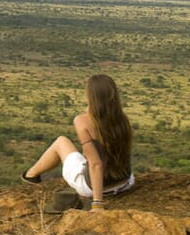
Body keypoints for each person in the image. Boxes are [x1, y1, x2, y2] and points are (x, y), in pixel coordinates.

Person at [21, 74, 134, 211]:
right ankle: (31, 175)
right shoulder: (123, 119)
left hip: (93, 188)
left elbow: (96, 164)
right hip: (125, 182)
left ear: (90, 96)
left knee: (61, 142)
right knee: (86, 156)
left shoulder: (82, 121)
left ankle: (31, 175)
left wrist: (97, 203)